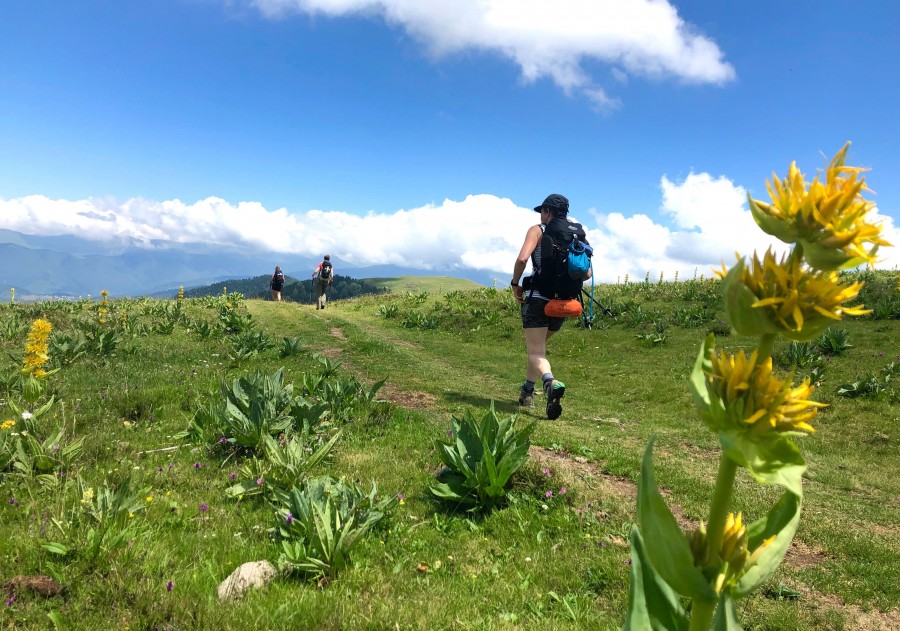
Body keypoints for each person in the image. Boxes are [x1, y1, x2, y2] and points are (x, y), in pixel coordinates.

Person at [510, 194, 590, 420]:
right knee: (538, 350)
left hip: (538, 299)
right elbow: (586, 273)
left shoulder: (538, 230)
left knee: (536, 352)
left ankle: (550, 383)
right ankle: (527, 392)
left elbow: (522, 259)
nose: (540, 216)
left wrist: (515, 284)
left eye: (542, 212)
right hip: (563, 304)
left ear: (548, 211)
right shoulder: (576, 234)